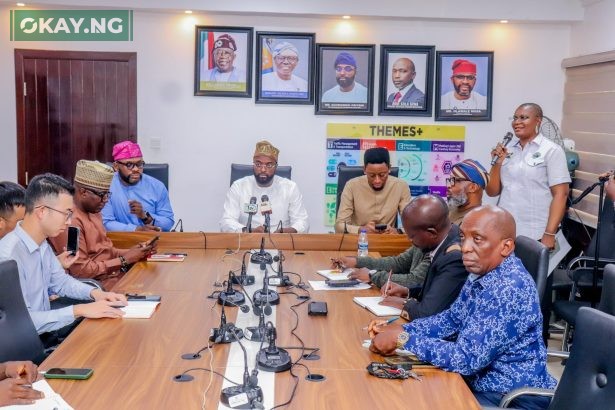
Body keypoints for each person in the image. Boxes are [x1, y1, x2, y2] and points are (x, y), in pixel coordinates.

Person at [368, 205, 556, 409]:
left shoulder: (508, 288)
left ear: (506, 247)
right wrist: (404, 329)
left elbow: (466, 359)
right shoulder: (482, 272)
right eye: (463, 237)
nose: (465, 247)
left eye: (477, 239)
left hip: (509, 397)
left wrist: (404, 339)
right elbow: (452, 319)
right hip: (479, 382)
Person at [0, 173, 127, 334]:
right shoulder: (8, 256)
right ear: (42, 211)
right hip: (27, 342)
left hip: (46, 330)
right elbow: (21, 322)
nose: (69, 221)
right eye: (66, 213)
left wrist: (95, 294)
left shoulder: (42, 243)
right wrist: (78, 310)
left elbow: (61, 282)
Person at [335, 195, 468, 319]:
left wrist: (404, 303)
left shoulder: (454, 257)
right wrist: (407, 291)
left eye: (412, 236)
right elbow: (432, 287)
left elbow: (428, 312)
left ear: (431, 233)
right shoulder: (436, 239)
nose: (410, 240)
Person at [49, 160, 157, 290]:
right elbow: (80, 271)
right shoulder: (69, 222)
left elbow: (107, 251)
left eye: (107, 194)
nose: (105, 200)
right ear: (83, 192)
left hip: (114, 277)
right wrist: (124, 260)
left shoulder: (95, 212)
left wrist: (135, 252)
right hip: (96, 288)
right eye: (102, 195)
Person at [487, 103, 570, 249]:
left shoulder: (551, 150)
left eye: (523, 117)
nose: (517, 122)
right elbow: (492, 192)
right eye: (515, 118)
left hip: (536, 231)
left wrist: (549, 233)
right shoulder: (508, 149)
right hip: (505, 229)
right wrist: (497, 163)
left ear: (538, 121)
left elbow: (561, 194)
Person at [220, 140, 309, 233]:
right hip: (246, 240)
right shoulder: (238, 187)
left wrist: (285, 232)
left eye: (269, 165)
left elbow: (302, 222)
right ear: (253, 165)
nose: (263, 169)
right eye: (258, 164)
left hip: (280, 241)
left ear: (276, 167)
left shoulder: (290, 188)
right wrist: (249, 231)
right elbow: (226, 221)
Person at [102, 140, 175, 232]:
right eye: (129, 165)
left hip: (152, 238)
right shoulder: (106, 186)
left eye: (139, 164)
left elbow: (168, 223)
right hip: (117, 239)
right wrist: (137, 230)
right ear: (116, 166)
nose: (136, 169)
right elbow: (105, 223)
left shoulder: (157, 186)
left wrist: (145, 216)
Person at [335, 147, 411, 234]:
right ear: (364, 169)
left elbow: (412, 224)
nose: (377, 181)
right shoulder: (351, 185)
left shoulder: (401, 186)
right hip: (360, 239)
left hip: (387, 239)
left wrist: (397, 231)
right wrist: (361, 230)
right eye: (372, 175)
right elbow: (339, 226)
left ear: (389, 168)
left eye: (382, 175)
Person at [446, 159, 488, 224]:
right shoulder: (450, 209)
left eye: (456, 181)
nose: (448, 185)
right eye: (450, 180)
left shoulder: (477, 221)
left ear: (473, 187)